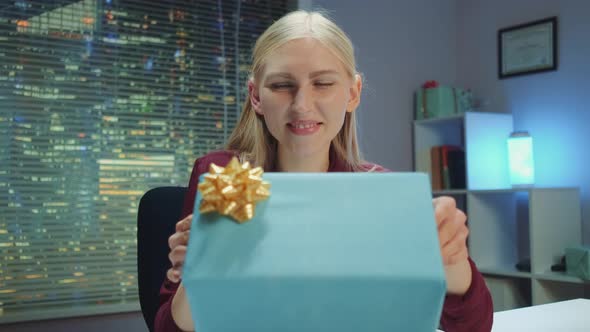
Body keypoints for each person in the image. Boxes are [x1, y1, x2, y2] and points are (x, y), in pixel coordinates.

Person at [155, 10, 493, 332]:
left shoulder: (378, 191)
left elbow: (473, 326)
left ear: (353, 92)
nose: (302, 104)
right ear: (256, 96)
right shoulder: (232, 178)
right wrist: (198, 275)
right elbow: (171, 328)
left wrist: (452, 262)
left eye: (323, 83)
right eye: (281, 85)